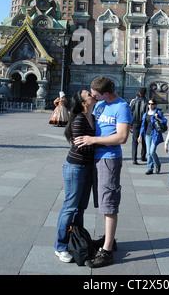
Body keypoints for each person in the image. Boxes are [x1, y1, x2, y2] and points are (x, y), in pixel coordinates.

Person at [74, 76, 132, 268]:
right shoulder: (100, 104)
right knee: (101, 201)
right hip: (95, 158)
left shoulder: (121, 107)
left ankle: (107, 251)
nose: (93, 96)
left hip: (109, 158)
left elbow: (122, 137)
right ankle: (109, 238)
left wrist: (93, 141)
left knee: (109, 202)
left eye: (96, 95)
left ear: (106, 93)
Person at [54, 90, 97, 263]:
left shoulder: (92, 117)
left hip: (87, 167)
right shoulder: (79, 119)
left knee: (81, 208)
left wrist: (95, 140)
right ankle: (60, 246)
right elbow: (81, 146)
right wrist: (101, 142)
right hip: (75, 167)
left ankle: (77, 240)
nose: (92, 94)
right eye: (88, 94)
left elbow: (89, 143)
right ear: (83, 102)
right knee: (70, 207)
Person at [138, 98, 167, 175]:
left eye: (152, 104)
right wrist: (140, 135)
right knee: (148, 153)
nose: (150, 105)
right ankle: (150, 168)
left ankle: (157, 164)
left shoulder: (158, 112)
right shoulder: (146, 114)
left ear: (155, 105)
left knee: (152, 151)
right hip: (147, 135)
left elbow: (165, 121)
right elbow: (143, 126)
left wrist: (158, 118)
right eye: (149, 104)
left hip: (155, 134)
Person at [130, 87, 148, 164]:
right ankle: (143, 156)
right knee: (144, 140)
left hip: (135, 122)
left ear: (139, 93)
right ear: (146, 93)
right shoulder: (147, 102)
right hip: (144, 123)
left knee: (134, 140)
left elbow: (130, 113)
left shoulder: (134, 102)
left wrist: (131, 124)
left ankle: (134, 158)